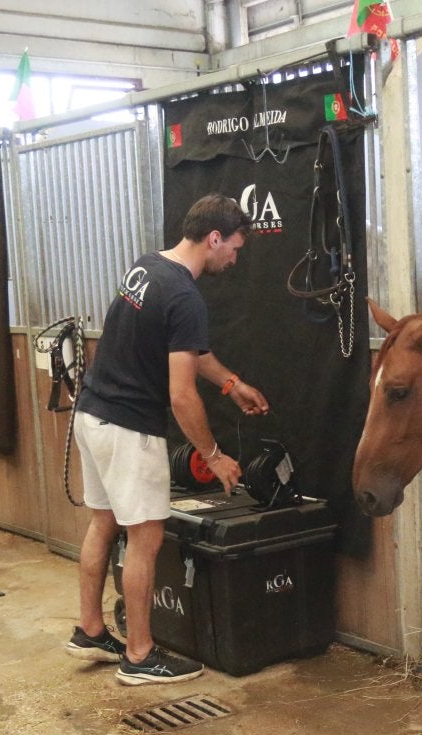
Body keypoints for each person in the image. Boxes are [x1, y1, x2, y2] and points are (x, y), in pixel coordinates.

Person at [67, 193, 270, 686]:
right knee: (146, 535)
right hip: (127, 427)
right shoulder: (184, 296)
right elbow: (181, 396)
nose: (234, 259)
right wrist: (214, 455)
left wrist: (230, 382)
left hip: (92, 413)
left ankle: (91, 630)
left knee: (104, 521)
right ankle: (139, 655)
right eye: (234, 248)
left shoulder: (148, 267)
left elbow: (187, 352)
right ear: (214, 238)